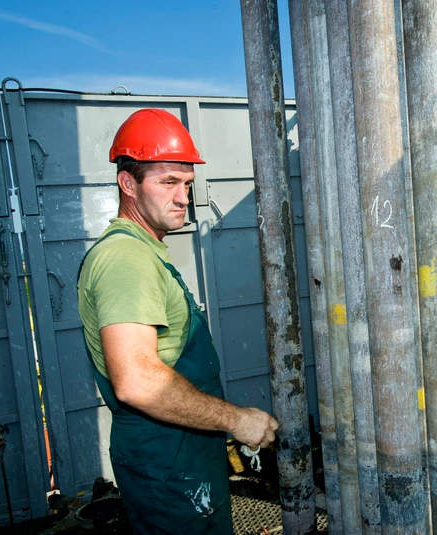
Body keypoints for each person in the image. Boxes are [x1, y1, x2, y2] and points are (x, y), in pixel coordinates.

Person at [77, 108, 279, 533]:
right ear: (128, 183)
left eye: (187, 183)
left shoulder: (144, 250)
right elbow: (137, 381)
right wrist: (237, 419)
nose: (183, 197)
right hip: (167, 462)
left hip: (179, 454)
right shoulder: (125, 258)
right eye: (168, 182)